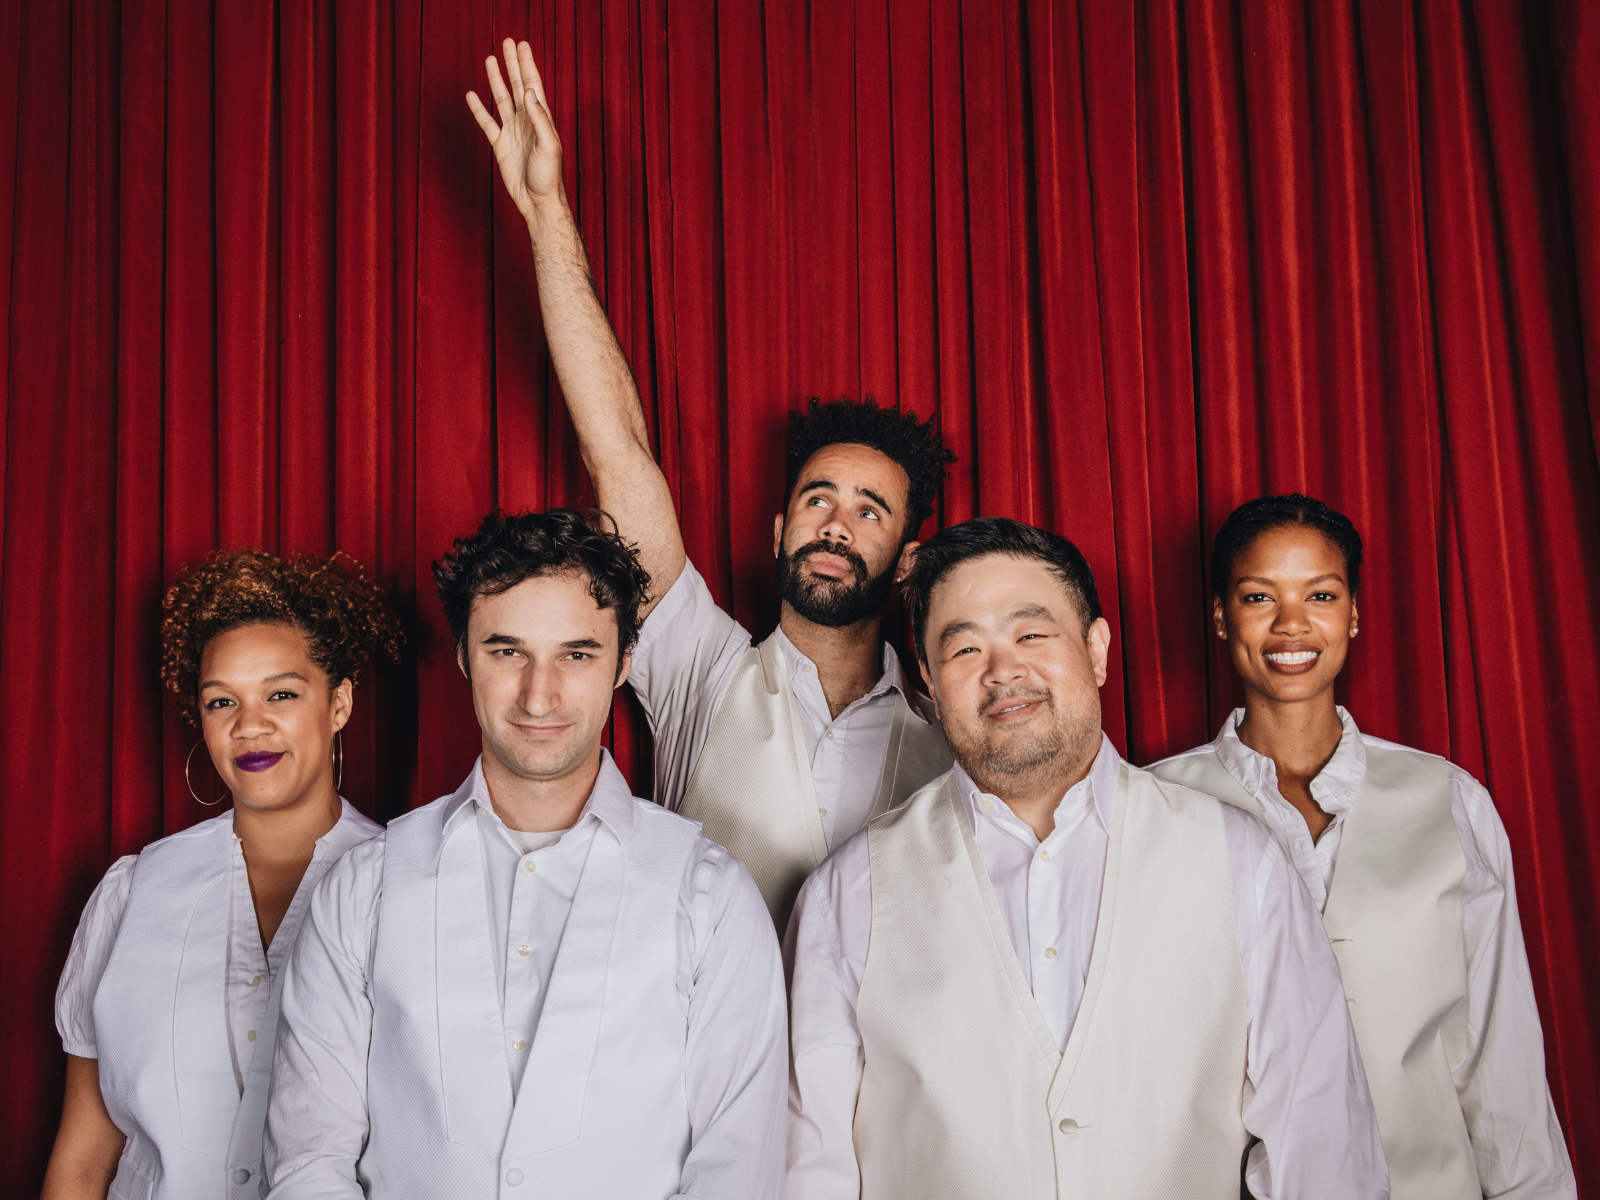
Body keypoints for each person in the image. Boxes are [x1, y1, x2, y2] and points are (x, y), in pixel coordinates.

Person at [466, 41, 955, 927]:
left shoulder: (953, 731)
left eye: (869, 510)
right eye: (817, 499)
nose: (835, 525)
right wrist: (545, 209)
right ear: (778, 530)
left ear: (909, 558)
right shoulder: (705, 666)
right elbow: (618, 451)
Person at [786, 516, 1389, 1199]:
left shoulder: (1241, 863)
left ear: (1096, 650)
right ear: (927, 678)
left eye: (1032, 634)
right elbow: (809, 1172)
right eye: (964, 649)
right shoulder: (848, 893)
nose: (1004, 670)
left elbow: (1324, 1155)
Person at [262, 509, 787, 1198]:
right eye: (507, 652)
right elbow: (308, 1162)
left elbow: (737, 1172)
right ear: (463, 656)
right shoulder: (364, 888)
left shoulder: (710, 895)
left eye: (577, 654)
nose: (540, 696)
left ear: (624, 664)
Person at [1150, 493, 1575, 1199]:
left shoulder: (1450, 799)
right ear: (1222, 615)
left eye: (1320, 594)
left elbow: (1498, 1052)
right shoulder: (1150, 807)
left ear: (1352, 613)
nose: (1292, 623)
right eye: (1259, 596)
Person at [41, 549, 401, 1200]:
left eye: (281, 694)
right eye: (221, 701)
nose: (249, 724)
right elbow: (83, 1158)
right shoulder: (132, 894)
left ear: (339, 703)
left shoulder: (406, 888)